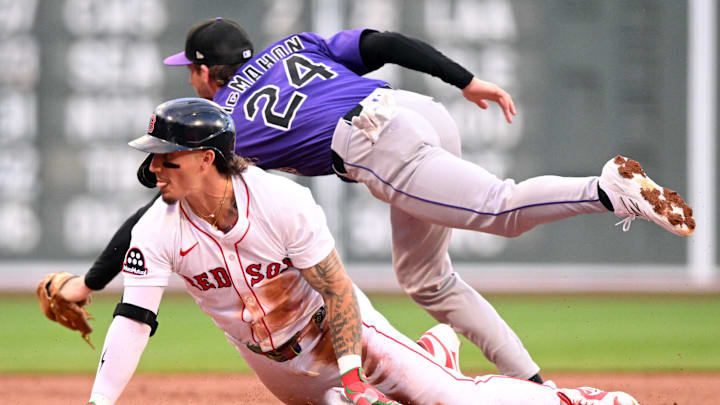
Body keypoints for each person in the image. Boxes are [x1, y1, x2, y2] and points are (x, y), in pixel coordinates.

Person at [58, 17, 694, 385]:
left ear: (201, 73)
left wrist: (91, 282)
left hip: (371, 143)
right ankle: (532, 385)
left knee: (496, 210)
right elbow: (383, 44)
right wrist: (465, 80)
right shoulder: (295, 45)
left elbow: (159, 208)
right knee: (425, 278)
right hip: (413, 109)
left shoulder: (221, 123)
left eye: (190, 70)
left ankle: (606, 188)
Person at [86, 97, 640, 405]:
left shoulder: (280, 202)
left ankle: (583, 402)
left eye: (167, 156)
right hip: (273, 364)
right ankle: (432, 350)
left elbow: (336, 290)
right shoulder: (157, 229)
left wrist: (351, 371)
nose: (154, 167)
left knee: (452, 401)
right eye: (154, 156)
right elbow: (134, 320)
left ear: (207, 159)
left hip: (342, 335)